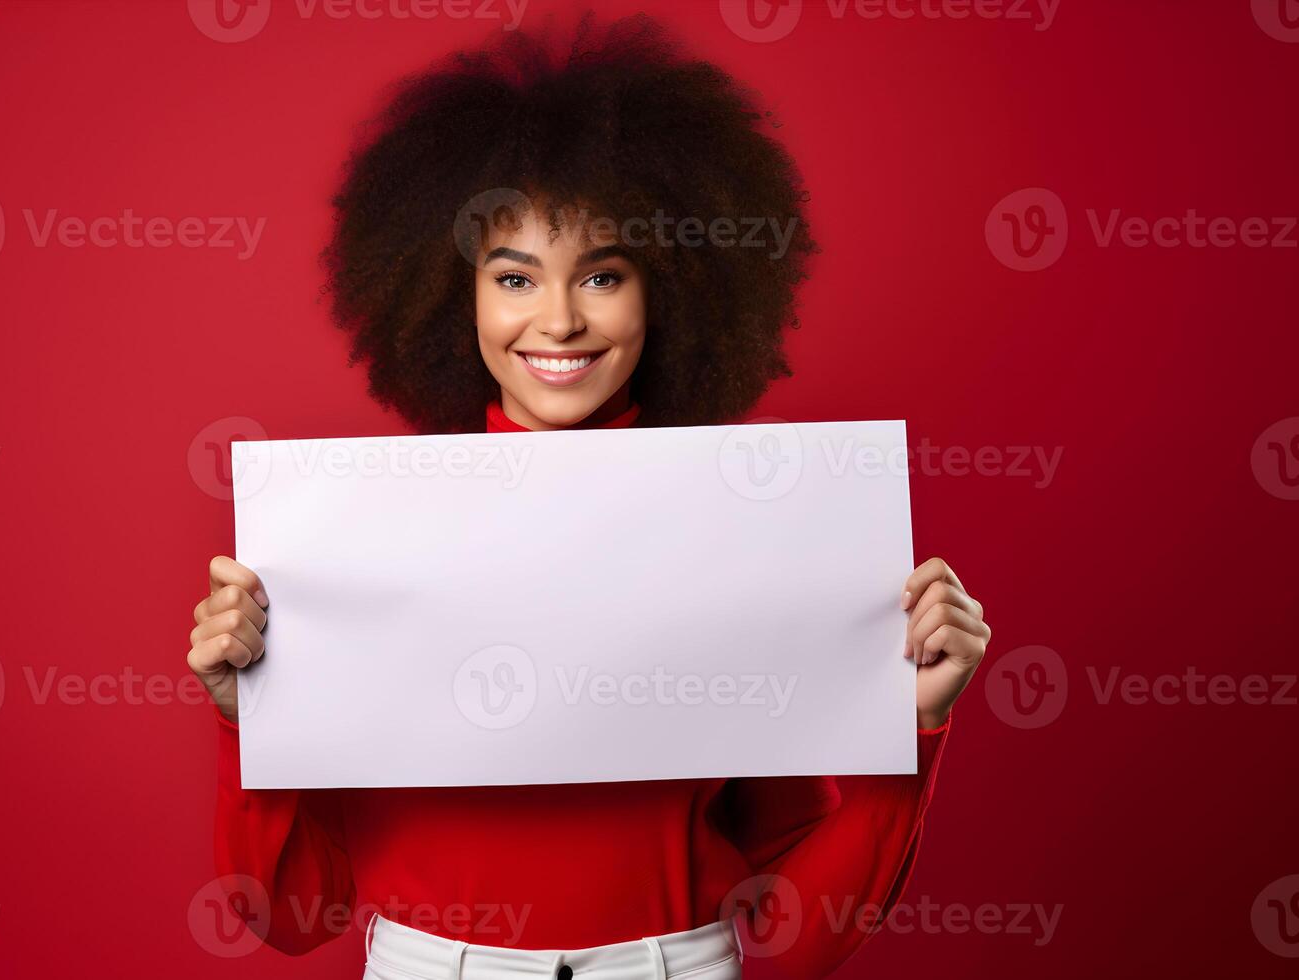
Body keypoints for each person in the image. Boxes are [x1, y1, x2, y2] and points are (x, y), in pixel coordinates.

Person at [186, 16, 990, 980]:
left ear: (671, 291)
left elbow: (800, 934)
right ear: (452, 297)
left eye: (602, 274)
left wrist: (911, 724)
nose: (559, 319)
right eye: (514, 276)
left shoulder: (746, 534)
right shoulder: (354, 546)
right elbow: (287, 913)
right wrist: (248, 714)